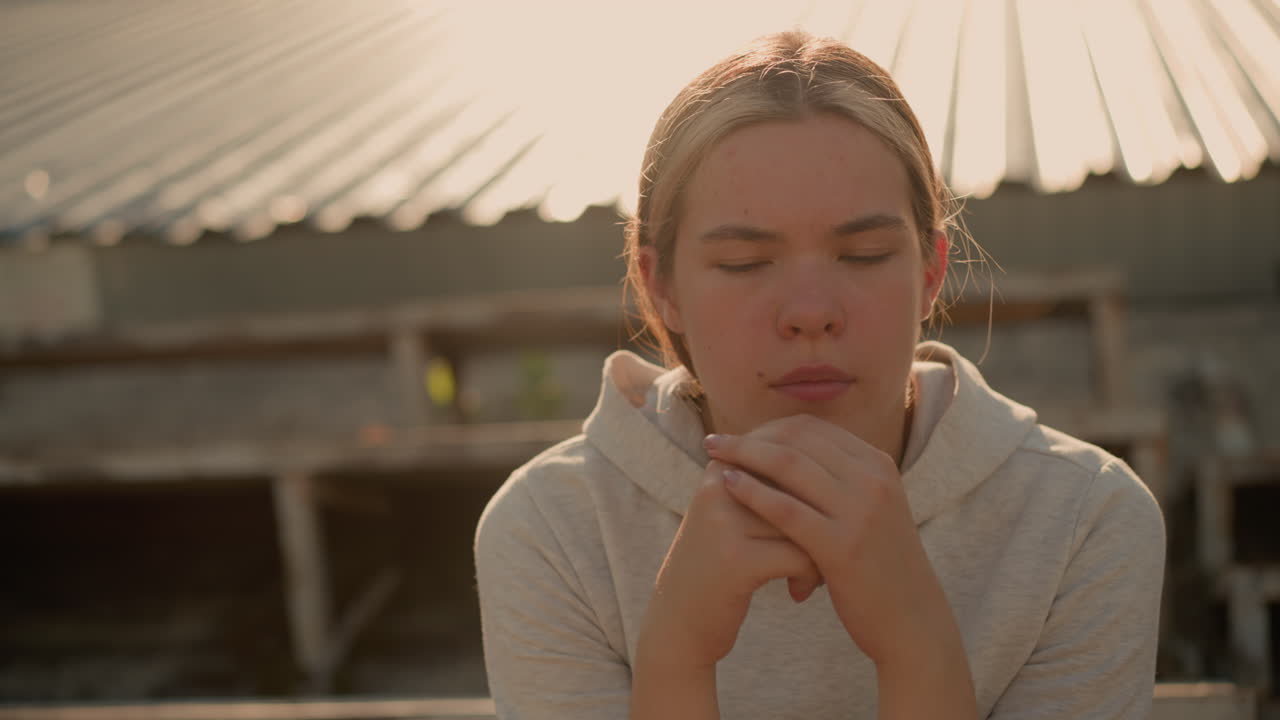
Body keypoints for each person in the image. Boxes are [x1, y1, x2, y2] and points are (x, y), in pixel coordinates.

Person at [474, 29, 1165, 719]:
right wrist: (678, 655)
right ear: (663, 288)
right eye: (745, 264)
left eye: (863, 255)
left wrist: (916, 644)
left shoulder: (1083, 522)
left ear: (930, 272)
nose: (810, 314)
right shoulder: (555, 531)